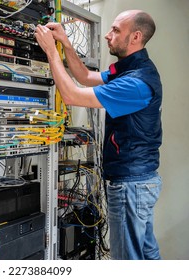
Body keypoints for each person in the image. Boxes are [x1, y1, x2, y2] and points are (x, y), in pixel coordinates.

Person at [35, 10, 162, 260]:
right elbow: (85, 77)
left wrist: (51, 52)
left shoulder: (136, 82)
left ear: (136, 36)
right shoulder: (131, 68)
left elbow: (71, 95)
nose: (107, 35)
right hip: (139, 181)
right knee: (145, 253)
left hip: (131, 185)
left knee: (128, 260)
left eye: (115, 30)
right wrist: (65, 43)